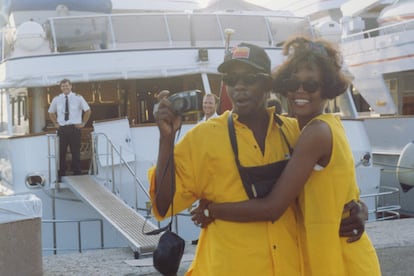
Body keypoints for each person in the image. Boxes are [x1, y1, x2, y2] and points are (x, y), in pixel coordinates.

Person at [149, 42, 367, 275]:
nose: (239, 87)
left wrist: (359, 210)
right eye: (231, 79)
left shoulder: (296, 133)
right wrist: (166, 140)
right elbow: (164, 204)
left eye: (250, 78)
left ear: (267, 84)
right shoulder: (202, 138)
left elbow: (336, 187)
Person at [48, 79, 91, 181]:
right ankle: (61, 174)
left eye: (67, 86)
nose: (65, 88)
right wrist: (55, 123)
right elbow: (51, 112)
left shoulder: (78, 98)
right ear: (60, 88)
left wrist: (83, 123)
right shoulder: (56, 99)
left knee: (75, 152)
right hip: (62, 129)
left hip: (74, 128)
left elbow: (88, 111)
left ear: (71, 86)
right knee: (61, 152)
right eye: (63, 86)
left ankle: (77, 174)